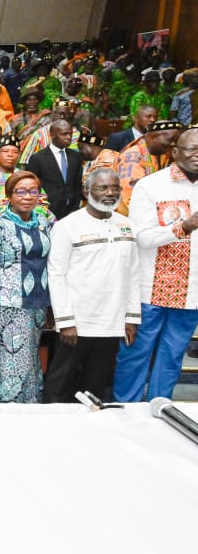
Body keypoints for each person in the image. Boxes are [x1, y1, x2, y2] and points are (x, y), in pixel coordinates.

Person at [113, 129, 198, 402]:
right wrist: (183, 227)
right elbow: (142, 237)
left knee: (172, 358)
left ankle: (159, 412)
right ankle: (125, 414)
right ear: (175, 152)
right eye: (191, 149)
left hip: (191, 293)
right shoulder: (151, 185)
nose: (197, 155)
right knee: (135, 354)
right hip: (152, 290)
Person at [46, 167, 140, 403]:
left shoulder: (127, 225)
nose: (110, 193)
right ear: (87, 192)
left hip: (112, 322)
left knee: (96, 385)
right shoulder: (68, 226)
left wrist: (130, 317)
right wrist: (65, 321)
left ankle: (92, 431)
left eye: (115, 188)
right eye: (102, 188)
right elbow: (56, 275)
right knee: (60, 383)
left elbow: (133, 274)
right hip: (78, 322)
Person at [0, 171, 52, 404]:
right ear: (9, 196)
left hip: (36, 307)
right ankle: (3, 415)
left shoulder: (44, 224)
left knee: (29, 363)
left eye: (33, 191)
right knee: (8, 365)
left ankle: (28, 410)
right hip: (8, 307)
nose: (27, 196)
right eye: (21, 191)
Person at [89, 120, 182, 214]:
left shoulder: (161, 152)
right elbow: (130, 202)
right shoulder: (132, 159)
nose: (174, 144)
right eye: (171, 140)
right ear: (155, 137)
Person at [25, 119, 83, 219]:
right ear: (52, 135)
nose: (69, 137)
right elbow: (31, 185)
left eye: (70, 134)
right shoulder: (38, 158)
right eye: (64, 134)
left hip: (71, 212)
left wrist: (75, 207)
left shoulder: (75, 156)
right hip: (47, 211)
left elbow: (77, 184)